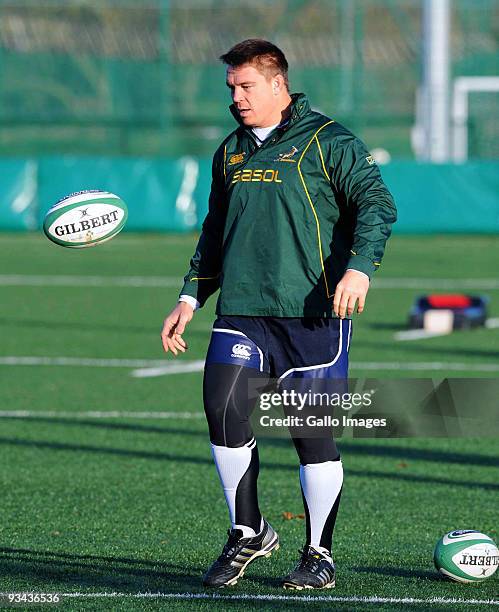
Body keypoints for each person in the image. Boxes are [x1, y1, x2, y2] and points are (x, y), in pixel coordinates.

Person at [161, 39, 397, 590]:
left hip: (312, 312)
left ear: (276, 83)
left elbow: (377, 204)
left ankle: (318, 553)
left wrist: (360, 268)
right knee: (223, 409)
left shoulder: (328, 141)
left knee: (310, 435)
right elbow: (216, 231)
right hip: (242, 309)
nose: (237, 99)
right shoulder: (230, 152)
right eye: (231, 89)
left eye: (246, 87)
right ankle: (248, 532)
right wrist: (191, 296)